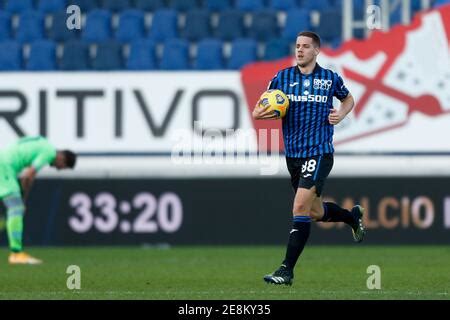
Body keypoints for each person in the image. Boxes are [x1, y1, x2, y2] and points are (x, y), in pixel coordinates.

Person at [252, 31, 366, 285]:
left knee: (299, 207)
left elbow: (348, 99)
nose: (300, 50)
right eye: (297, 46)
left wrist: (342, 114)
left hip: (319, 151)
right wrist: (271, 112)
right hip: (293, 155)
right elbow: (257, 111)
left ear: (316, 51)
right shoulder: (282, 77)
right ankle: (351, 217)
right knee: (314, 211)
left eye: (305, 46)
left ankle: (286, 270)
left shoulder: (329, 78)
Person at [0, 136, 77, 264]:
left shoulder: (42, 142)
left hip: (3, 164)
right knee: (16, 208)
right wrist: (23, 201)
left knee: (16, 207)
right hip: (4, 167)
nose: (57, 169)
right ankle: (16, 253)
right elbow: (27, 176)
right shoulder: (49, 152)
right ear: (63, 159)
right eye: (61, 167)